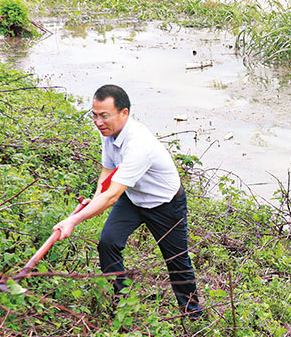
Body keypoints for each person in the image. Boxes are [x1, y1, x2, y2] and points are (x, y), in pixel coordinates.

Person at [51, 84, 203, 317]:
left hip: (165, 204)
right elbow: (107, 170)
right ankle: (122, 304)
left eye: (104, 116)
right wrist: (95, 198)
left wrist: (74, 221)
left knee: (176, 261)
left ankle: (193, 315)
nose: (98, 122)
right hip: (132, 198)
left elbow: (112, 195)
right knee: (108, 243)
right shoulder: (109, 132)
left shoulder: (139, 144)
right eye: (95, 115)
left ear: (124, 113)